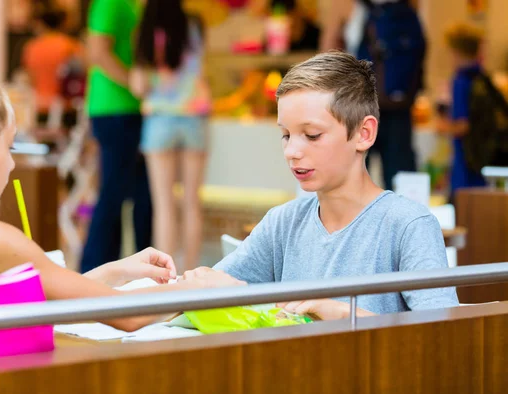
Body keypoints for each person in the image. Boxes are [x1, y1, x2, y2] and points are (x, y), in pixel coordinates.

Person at [0, 69, 244, 331]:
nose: (11, 164)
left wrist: (116, 270)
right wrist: (203, 288)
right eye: (8, 147)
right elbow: (123, 314)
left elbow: (49, 297)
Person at [186, 51, 459, 320]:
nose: (292, 151)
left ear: (364, 134)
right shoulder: (283, 223)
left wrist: (340, 312)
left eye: (312, 135)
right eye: (285, 135)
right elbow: (206, 292)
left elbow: (442, 338)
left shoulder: (409, 225)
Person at [130, 0, 211, 271]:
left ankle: (165, 275)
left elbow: (139, 85)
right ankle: (191, 270)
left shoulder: (146, 31)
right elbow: (202, 69)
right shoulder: (196, 25)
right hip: (195, 118)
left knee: (163, 204)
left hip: (160, 121)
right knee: (191, 203)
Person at [320, 0, 424, 190]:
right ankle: (403, 218)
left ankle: (357, 218)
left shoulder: (351, 7)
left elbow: (328, 52)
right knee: (400, 178)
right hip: (399, 107)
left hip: (360, 103)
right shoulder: (408, 6)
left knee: (354, 176)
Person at [81, 0, 152, 273]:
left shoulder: (132, 5)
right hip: (113, 109)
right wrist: (132, 82)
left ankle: (136, 269)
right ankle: (93, 271)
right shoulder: (110, 3)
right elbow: (98, 52)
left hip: (129, 109)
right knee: (113, 193)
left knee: (140, 196)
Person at [436, 22, 487, 199]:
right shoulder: (482, 77)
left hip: (466, 161)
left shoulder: (460, 81)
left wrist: (443, 127)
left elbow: (463, 126)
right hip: (481, 156)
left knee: (463, 208)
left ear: (457, 52)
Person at [21, 7, 82, 130]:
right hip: (66, 107)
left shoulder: (32, 47)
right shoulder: (71, 46)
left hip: (41, 106)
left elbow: (30, 77)